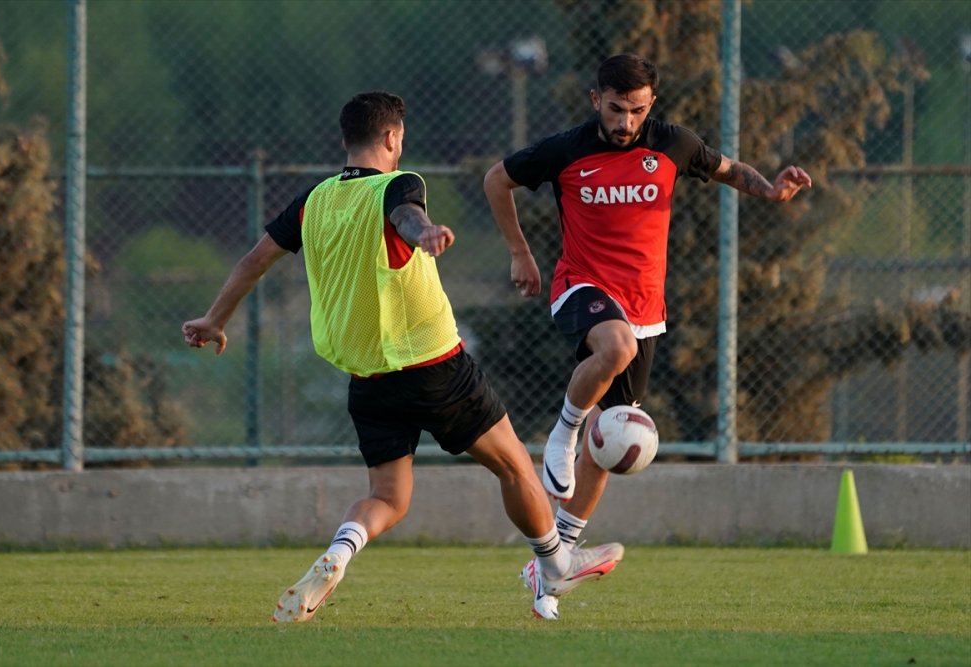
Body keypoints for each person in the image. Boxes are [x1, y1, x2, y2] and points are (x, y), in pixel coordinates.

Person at [182, 91, 623, 622]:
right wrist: (425, 232)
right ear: (392, 138)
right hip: (434, 366)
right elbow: (405, 215)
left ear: (346, 140)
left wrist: (214, 318)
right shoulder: (399, 183)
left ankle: (338, 553)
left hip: (368, 379)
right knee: (514, 468)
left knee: (388, 498)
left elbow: (255, 261)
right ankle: (555, 565)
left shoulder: (313, 200)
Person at [483, 55, 812, 612]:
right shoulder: (567, 148)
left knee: (609, 441)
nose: (625, 121)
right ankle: (563, 432)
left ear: (650, 105)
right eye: (615, 109)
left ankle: (554, 564)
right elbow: (498, 179)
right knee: (616, 348)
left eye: (636, 110)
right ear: (596, 100)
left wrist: (773, 191)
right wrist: (521, 253)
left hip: (644, 308)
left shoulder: (674, 144)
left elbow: (728, 169)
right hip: (579, 286)